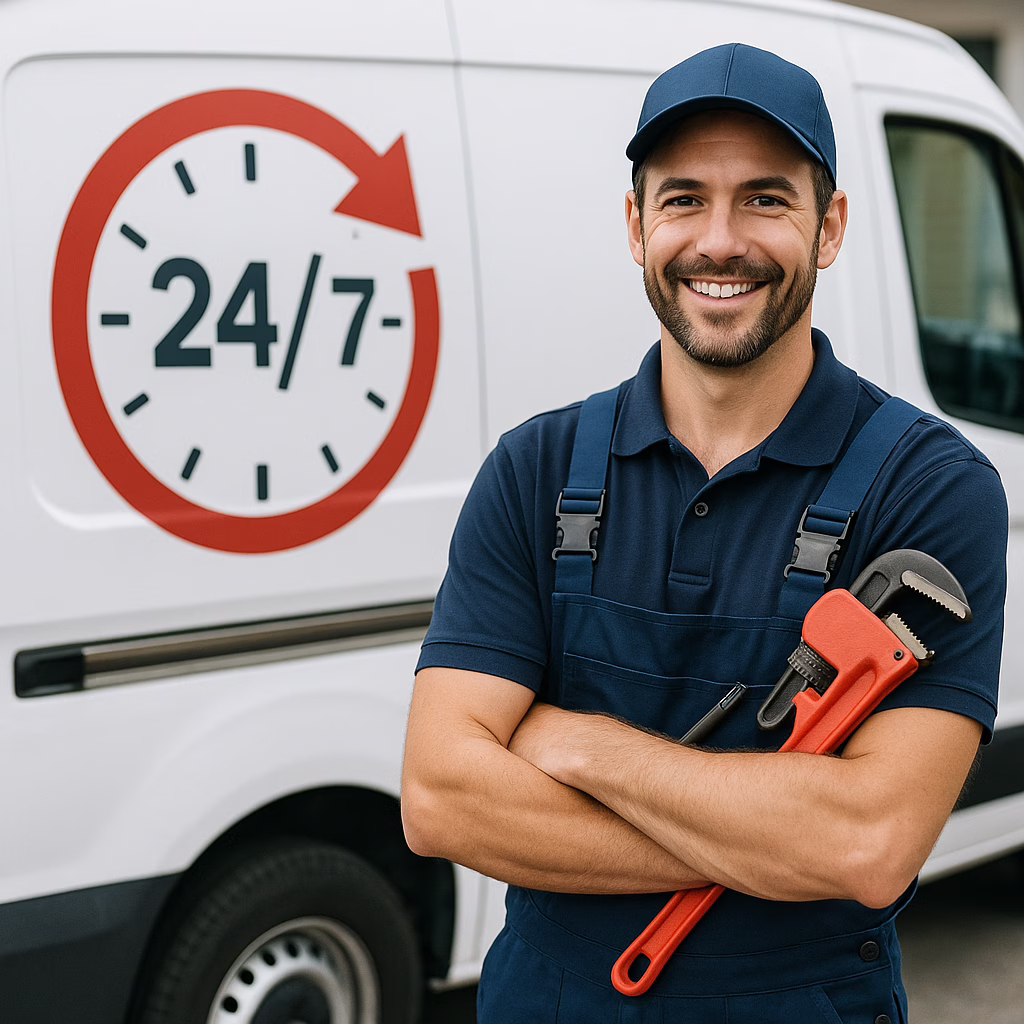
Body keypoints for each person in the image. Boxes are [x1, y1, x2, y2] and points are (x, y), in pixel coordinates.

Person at [401, 42, 1007, 1023]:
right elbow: (440, 800)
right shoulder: (536, 470)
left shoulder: (931, 488)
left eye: (765, 199)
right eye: (683, 199)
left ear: (831, 227)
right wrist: (772, 838)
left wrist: (580, 745)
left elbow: (870, 842)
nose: (719, 240)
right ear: (637, 226)